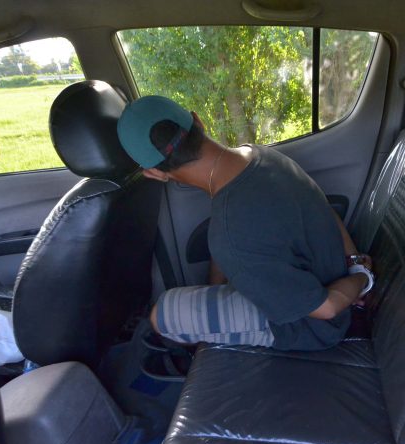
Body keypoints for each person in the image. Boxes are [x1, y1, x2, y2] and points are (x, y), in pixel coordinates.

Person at [117, 96, 374, 351]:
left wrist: (362, 278)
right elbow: (327, 211)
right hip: (320, 278)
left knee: (162, 314)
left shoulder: (229, 235)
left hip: (310, 325)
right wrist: (354, 260)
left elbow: (327, 308)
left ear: (155, 173)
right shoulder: (263, 156)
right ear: (198, 120)